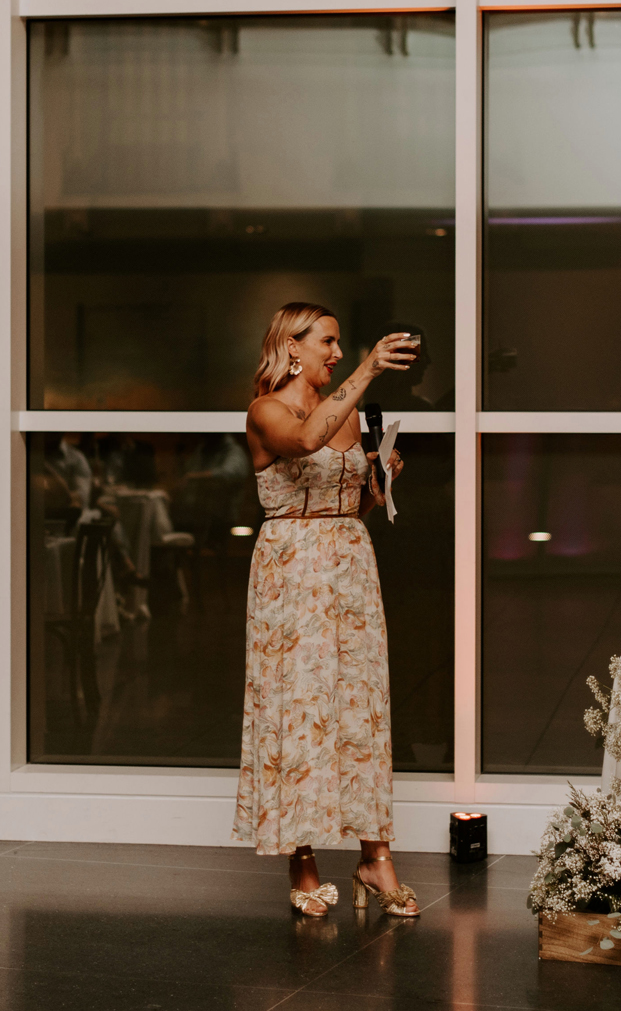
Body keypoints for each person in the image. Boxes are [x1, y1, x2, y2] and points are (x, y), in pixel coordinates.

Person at [234, 301, 419, 919]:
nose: (337, 354)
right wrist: (368, 367)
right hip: (292, 570)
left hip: (350, 563)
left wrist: (378, 485)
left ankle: (375, 857)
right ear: (292, 346)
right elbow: (306, 441)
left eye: (342, 345)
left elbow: (346, 504)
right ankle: (303, 859)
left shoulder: (349, 416)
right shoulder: (267, 411)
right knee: (299, 704)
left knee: (359, 705)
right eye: (328, 343)